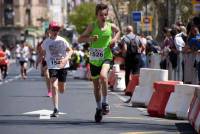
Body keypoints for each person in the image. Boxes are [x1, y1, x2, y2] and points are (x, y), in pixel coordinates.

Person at [78, 3, 120, 122]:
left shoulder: (110, 26)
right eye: (101, 15)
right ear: (97, 15)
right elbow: (80, 39)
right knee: (96, 87)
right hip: (94, 60)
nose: (104, 17)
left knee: (103, 76)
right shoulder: (92, 26)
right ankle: (98, 108)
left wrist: (114, 39)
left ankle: (105, 103)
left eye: (105, 14)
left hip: (106, 56)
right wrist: (90, 39)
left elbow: (118, 31)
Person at [36, 21, 73, 117]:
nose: (56, 31)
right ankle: (56, 108)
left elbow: (70, 50)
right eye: (54, 29)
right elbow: (42, 52)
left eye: (57, 29)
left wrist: (66, 58)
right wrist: (38, 60)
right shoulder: (46, 42)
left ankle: (62, 86)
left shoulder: (62, 40)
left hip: (63, 66)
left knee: (61, 89)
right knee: (54, 85)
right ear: (49, 30)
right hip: (52, 66)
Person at [37, 29, 52, 97]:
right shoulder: (42, 43)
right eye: (47, 33)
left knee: (54, 77)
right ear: (45, 34)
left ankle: (54, 88)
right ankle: (49, 91)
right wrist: (38, 61)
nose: (49, 35)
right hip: (45, 61)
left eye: (50, 33)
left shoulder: (56, 41)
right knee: (47, 75)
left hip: (55, 61)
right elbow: (40, 53)